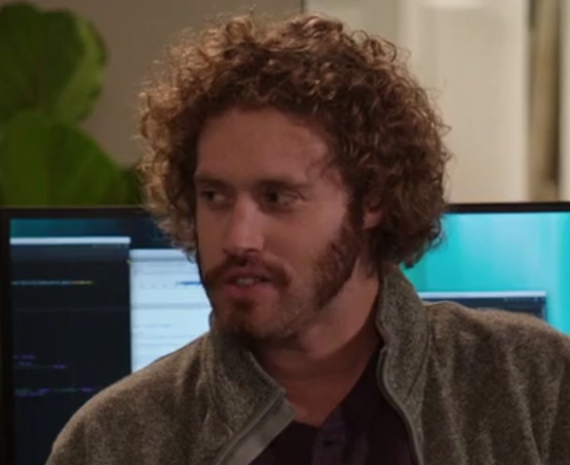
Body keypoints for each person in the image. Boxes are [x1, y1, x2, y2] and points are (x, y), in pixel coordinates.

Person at [47, 12, 570, 465]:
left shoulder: (535, 385)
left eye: (277, 197)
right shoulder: (112, 439)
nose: (238, 238)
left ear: (371, 200)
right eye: (214, 196)